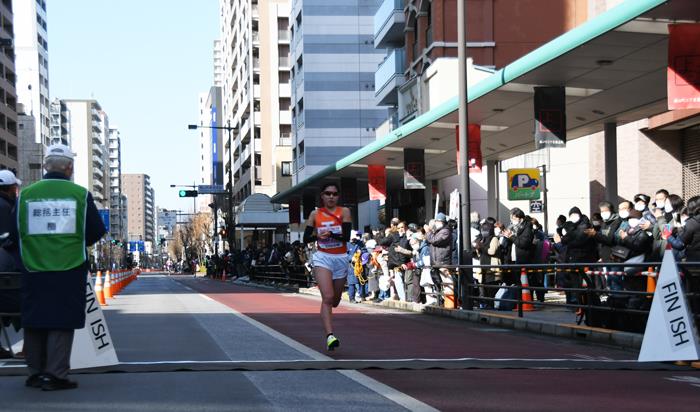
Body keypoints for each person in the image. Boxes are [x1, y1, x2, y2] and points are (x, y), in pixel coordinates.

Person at [11, 144, 107, 390]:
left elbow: (14, 232)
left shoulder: (25, 195)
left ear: (45, 166)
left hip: (33, 265)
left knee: (34, 317)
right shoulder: (80, 195)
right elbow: (96, 231)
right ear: (69, 167)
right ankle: (55, 374)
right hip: (69, 266)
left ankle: (35, 372)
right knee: (62, 320)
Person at [302, 183, 352, 351]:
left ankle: (331, 310)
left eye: (335, 194)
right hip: (323, 257)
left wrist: (332, 234)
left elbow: (346, 237)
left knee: (336, 300)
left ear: (338, 196)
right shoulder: (315, 214)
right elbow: (305, 239)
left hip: (341, 258)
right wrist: (317, 235)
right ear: (322, 196)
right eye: (328, 193)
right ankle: (330, 336)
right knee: (328, 297)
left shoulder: (344, 212)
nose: (331, 196)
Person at [0, 170, 22, 359]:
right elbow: (10, 239)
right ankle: (31, 347)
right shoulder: (8, 208)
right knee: (26, 301)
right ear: (10, 189)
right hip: (8, 267)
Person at [425, 213, 453, 307]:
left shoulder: (445, 231)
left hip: (443, 262)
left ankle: (450, 304)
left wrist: (428, 232)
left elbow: (434, 240)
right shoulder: (438, 231)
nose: (436, 223)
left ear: (441, 222)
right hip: (436, 262)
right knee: (438, 282)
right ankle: (442, 302)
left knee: (447, 282)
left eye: (437, 221)